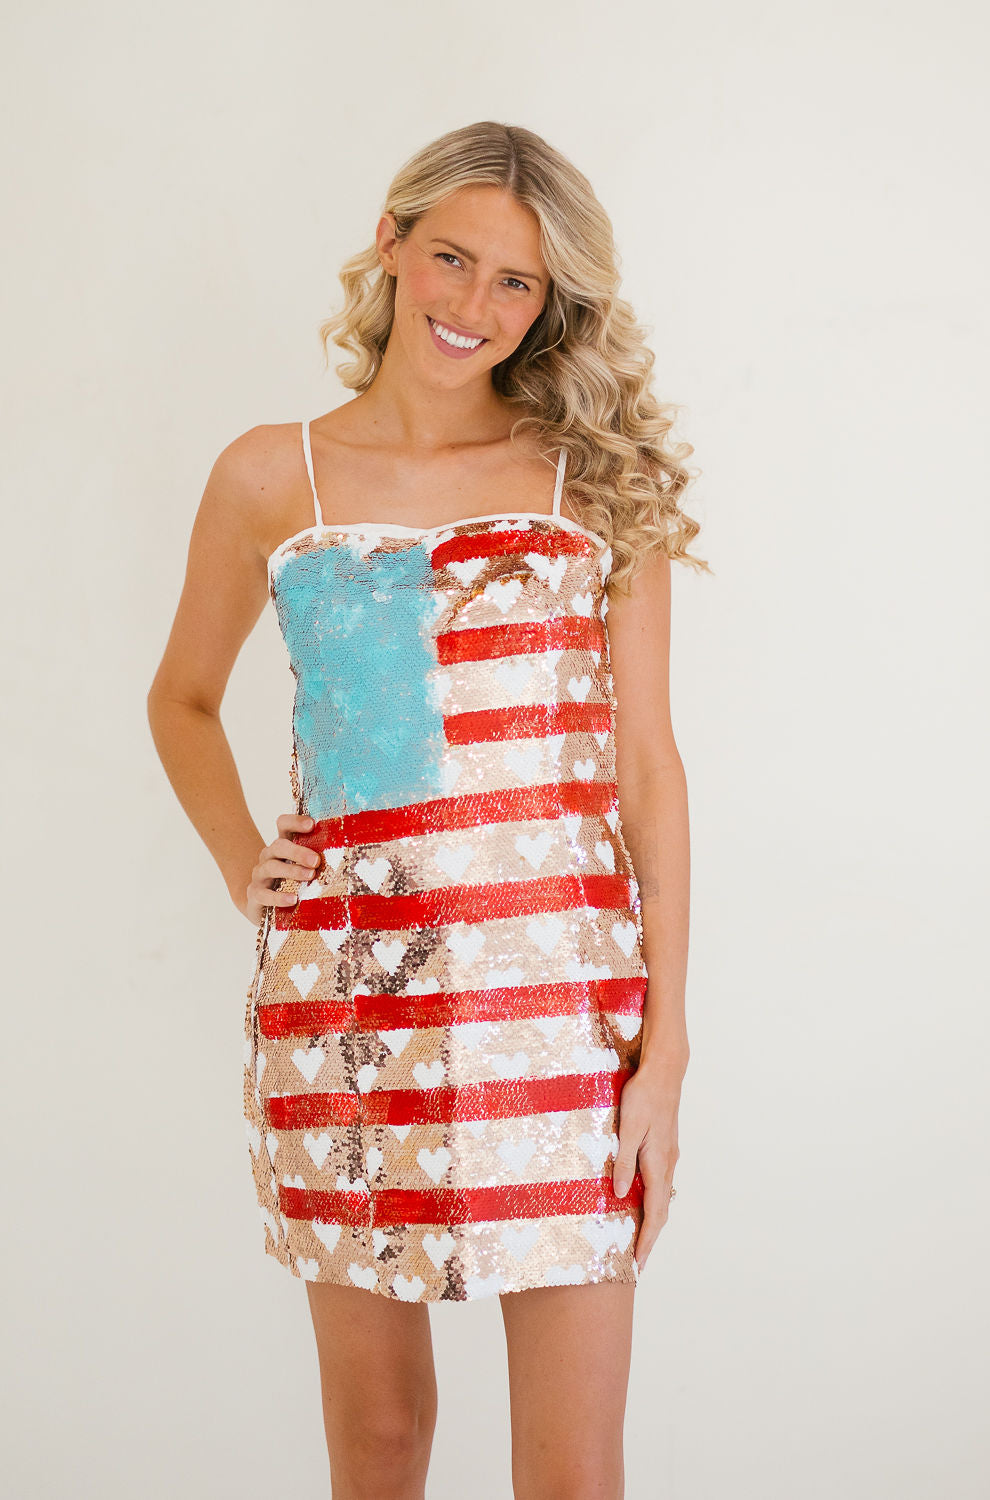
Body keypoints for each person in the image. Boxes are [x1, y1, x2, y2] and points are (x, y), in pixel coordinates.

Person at [147, 120, 704, 1500]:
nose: (474, 305)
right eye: (451, 258)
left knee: (572, 1468)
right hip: (346, 1010)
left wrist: (666, 1049)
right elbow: (181, 699)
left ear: (551, 301)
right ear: (390, 245)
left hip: (567, 1018)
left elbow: (648, 768)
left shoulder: (593, 479)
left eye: (516, 282)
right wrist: (243, 860)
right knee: (381, 1443)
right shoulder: (271, 475)